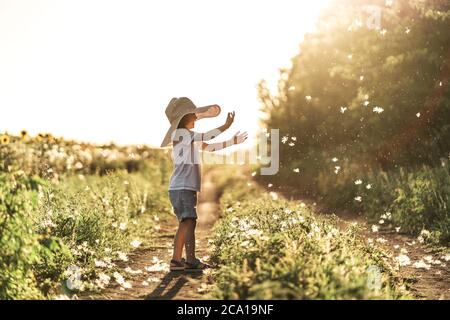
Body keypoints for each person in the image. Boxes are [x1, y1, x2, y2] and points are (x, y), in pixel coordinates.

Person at [160, 97, 248, 272]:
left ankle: (191, 260)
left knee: (190, 222)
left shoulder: (188, 138)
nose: (196, 115)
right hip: (182, 187)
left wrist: (233, 142)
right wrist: (225, 126)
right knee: (187, 221)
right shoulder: (182, 134)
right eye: (193, 113)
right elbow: (207, 136)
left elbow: (210, 147)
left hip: (185, 187)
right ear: (185, 117)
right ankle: (176, 260)